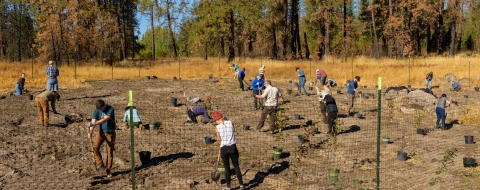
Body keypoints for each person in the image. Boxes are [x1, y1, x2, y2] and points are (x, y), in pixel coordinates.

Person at [213, 111, 246, 190]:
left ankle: (228, 187)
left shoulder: (217, 128)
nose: (215, 122)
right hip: (233, 147)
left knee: (227, 168)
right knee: (236, 166)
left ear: (217, 120)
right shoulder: (230, 122)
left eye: (215, 120)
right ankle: (242, 185)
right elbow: (233, 131)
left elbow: (219, 139)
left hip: (224, 148)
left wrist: (220, 142)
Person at [87, 99, 116, 178]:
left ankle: (108, 170)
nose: (100, 110)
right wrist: (90, 132)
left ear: (104, 105)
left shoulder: (110, 109)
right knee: (95, 147)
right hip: (101, 132)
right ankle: (101, 164)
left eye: (101, 109)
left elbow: (104, 120)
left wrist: (93, 123)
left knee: (109, 152)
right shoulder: (96, 111)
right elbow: (93, 121)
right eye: (99, 109)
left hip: (110, 133)